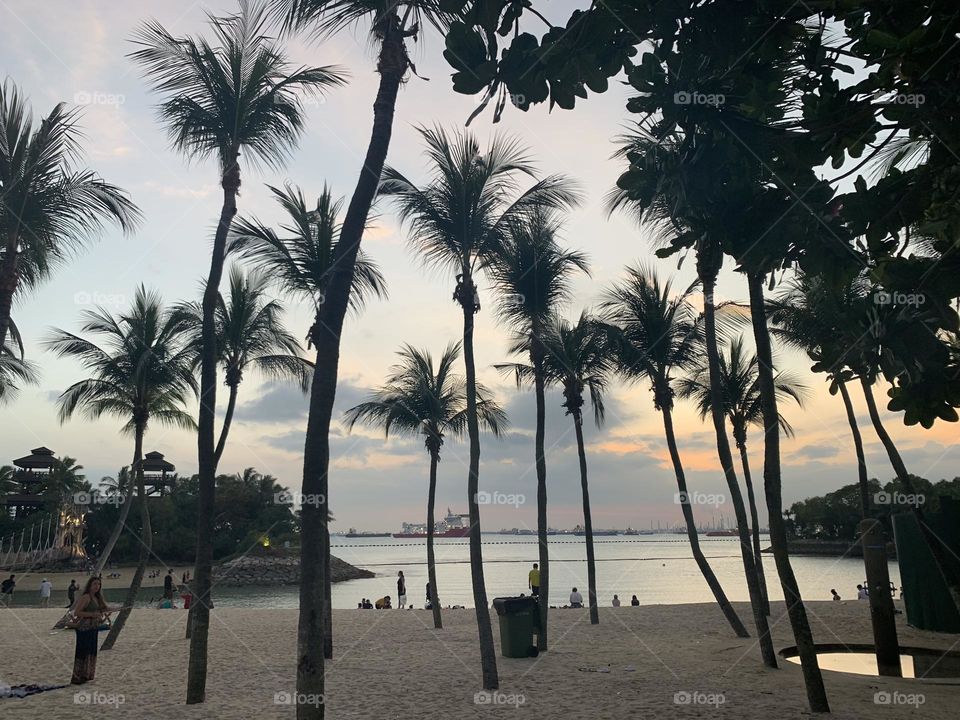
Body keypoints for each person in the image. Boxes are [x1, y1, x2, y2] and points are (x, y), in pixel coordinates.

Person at [70, 577, 117, 684]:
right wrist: (92, 614)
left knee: (91, 651)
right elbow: (77, 612)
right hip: (84, 628)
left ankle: (87, 675)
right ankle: (79, 676)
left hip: (93, 628)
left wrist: (116, 608)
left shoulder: (97, 598)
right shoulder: (86, 597)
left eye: (99, 584)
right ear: (90, 585)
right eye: (95, 584)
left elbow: (104, 608)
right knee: (83, 652)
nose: (97, 586)